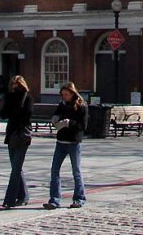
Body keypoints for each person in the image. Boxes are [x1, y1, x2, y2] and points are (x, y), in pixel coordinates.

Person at [44, 82, 88, 210]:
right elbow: (56, 116)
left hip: (74, 142)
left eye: (66, 94)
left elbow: (83, 127)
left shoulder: (82, 106)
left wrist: (69, 123)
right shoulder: (62, 105)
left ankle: (79, 198)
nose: (64, 97)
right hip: (61, 142)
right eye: (62, 95)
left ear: (72, 94)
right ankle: (54, 200)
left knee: (76, 171)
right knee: (54, 171)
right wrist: (55, 118)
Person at [0, 75, 34, 209]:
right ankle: (24, 196)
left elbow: (27, 116)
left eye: (17, 85)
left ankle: (10, 199)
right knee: (16, 167)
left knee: (16, 168)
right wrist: (7, 102)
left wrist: (14, 108)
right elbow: (3, 114)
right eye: (13, 85)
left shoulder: (27, 98)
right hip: (11, 134)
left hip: (22, 135)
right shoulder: (9, 97)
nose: (15, 88)